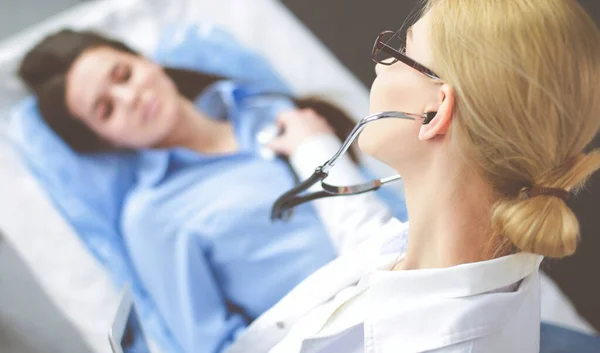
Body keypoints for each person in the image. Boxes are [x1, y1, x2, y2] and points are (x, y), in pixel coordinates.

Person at [224, 0, 600, 352]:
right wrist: (313, 146)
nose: (380, 65)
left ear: (435, 113)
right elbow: (370, 236)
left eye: (402, 50)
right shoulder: (462, 254)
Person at [17, 29, 381, 353]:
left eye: (124, 74)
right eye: (106, 109)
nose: (128, 97)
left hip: (413, 267)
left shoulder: (264, 108)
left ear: (146, 61)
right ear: (103, 141)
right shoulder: (152, 216)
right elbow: (216, 346)